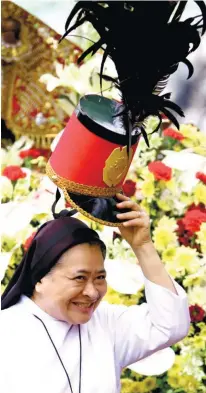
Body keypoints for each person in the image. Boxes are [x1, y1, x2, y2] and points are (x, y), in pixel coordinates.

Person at [1, 193, 190, 393]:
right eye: (79, 278)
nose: (92, 293)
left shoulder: (106, 323)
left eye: (100, 278)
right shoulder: (5, 330)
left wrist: (142, 246)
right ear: (39, 278)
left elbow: (170, 325)